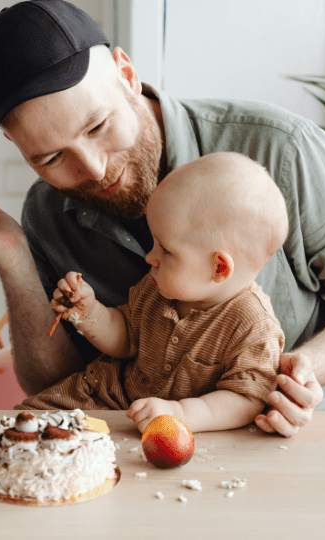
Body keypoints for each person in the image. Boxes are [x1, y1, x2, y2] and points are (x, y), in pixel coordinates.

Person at [0, 0, 325, 437]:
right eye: (50, 158)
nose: (94, 169)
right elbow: (58, 385)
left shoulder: (280, 149)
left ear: (127, 74)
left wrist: (292, 374)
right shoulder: (46, 212)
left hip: (290, 433)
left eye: (98, 126)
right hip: (132, 447)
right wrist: (15, 260)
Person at [20, 152, 288, 434]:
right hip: (104, 396)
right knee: (26, 421)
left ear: (219, 267)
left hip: (174, 430)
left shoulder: (253, 326)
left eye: (166, 250)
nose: (150, 257)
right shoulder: (156, 288)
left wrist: (180, 413)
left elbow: (246, 399)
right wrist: (89, 313)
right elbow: (126, 340)